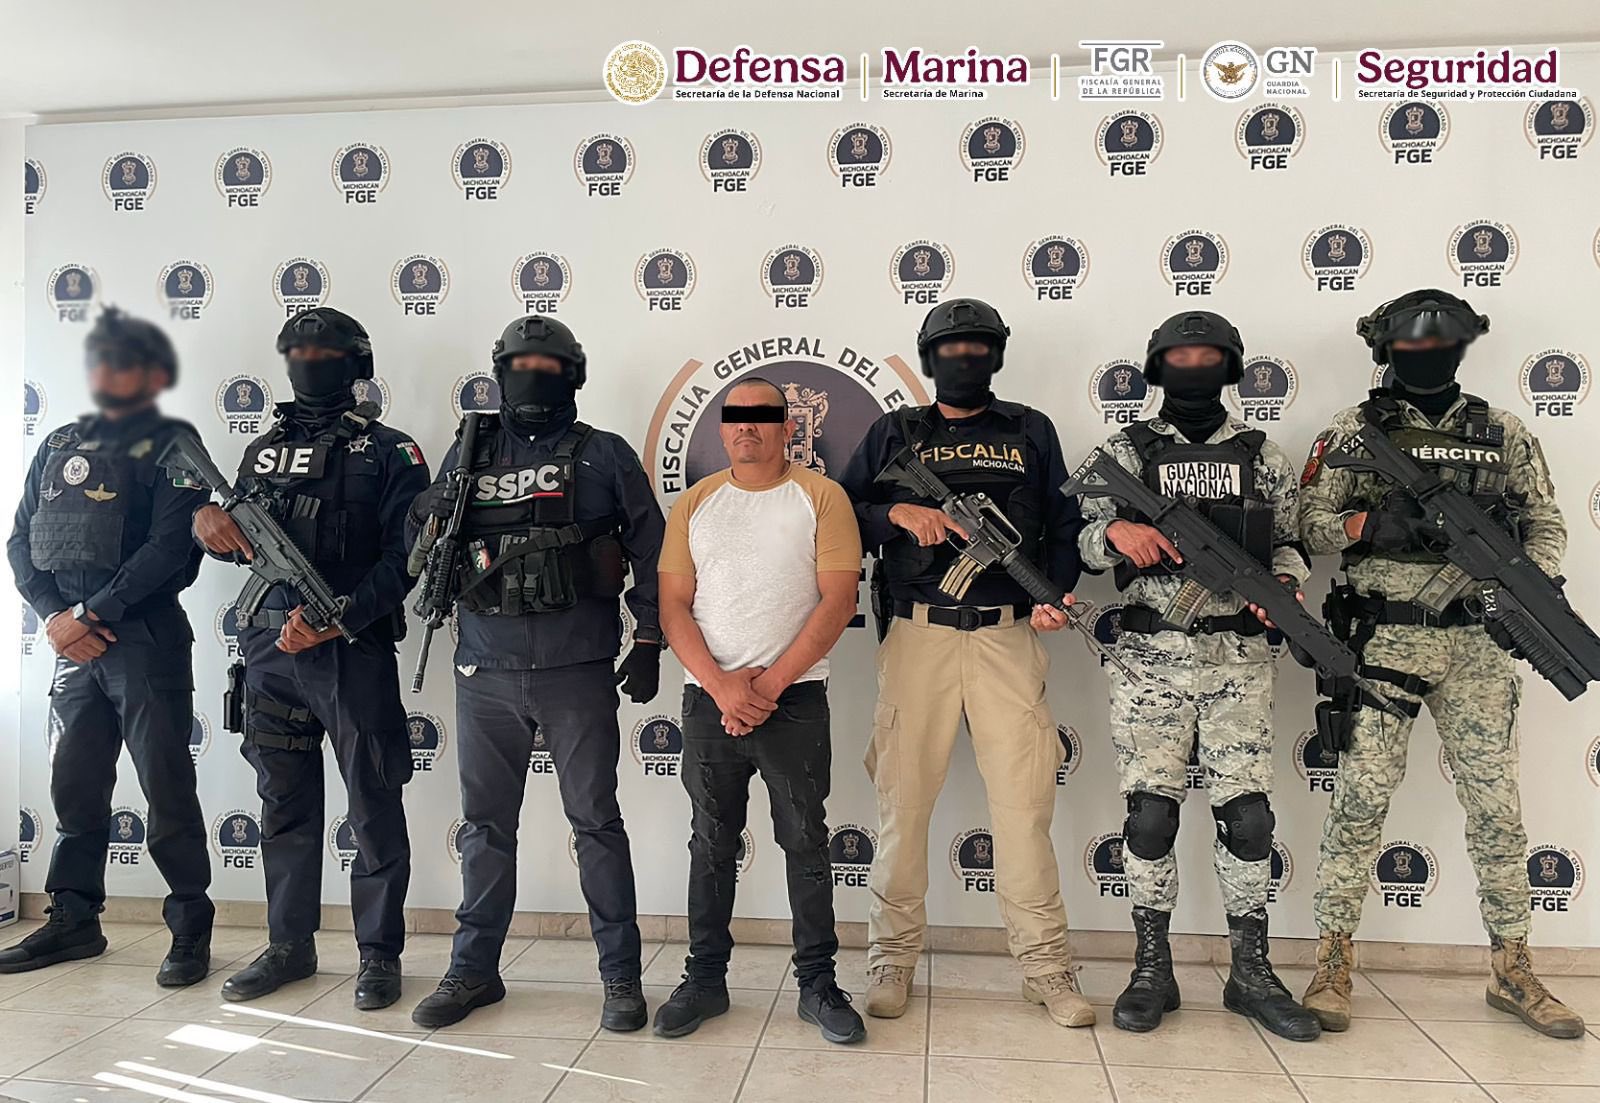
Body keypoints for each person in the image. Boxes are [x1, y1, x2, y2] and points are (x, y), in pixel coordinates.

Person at [1297, 289, 1582, 1039]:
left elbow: (1545, 520)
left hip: (1481, 644)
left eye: (1443, 342)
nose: (1428, 355)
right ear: (1386, 349)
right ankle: (1331, 960)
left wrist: (1527, 578)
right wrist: (1370, 523)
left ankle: (1512, 967)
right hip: (1385, 643)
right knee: (1361, 800)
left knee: (1497, 808)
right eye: (1413, 344)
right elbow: (1308, 524)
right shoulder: (1354, 432)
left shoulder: (1502, 431)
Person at [839, 297, 1092, 1028]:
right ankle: (891, 958)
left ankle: (1046, 965)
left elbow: (1065, 523)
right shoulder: (895, 434)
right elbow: (838, 510)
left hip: (1007, 636)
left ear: (997, 355)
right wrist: (896, 514)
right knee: (902, 806)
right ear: (929, 359)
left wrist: (1054, 592)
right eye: (952, 348)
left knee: (1024, 809)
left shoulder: (1030, 429)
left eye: (979, 347)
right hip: (918, 635)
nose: (965, 358)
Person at [407, 315, 665, 1033]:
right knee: (485, 827)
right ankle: (473, 970)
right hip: (483, 666)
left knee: (596, 824)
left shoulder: (604, 454)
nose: (532, 376)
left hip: (576, 665)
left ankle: (620, 975)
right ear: (499, 374)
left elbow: (654, 548)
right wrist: (433, 505)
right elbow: (420, 541)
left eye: (547, 366)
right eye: (518, 365)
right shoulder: (469, 454)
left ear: (573, 376)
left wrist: (649, 635)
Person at [1073, 310, 1319, 1042]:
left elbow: (1292, 542)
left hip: (1239, 661)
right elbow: (1083, 541)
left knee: (1249, 819)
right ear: (1158, 367)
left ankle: (1251, 972)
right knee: (1150, 817)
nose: (1194, 366)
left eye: (1208, 356)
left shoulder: (1263, 454)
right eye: (1180, 357)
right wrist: (1116, 531)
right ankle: (1153, 968)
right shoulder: (1125, 451)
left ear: (1230, 367)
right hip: (1150, 662)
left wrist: (1283, 584)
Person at [193, 307, 430, 1011]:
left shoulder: (392, 451)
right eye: (296, 352)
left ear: (356, 365)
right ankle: (288, 946)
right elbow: (241, 541)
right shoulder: (261, 451)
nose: (308, 363)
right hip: (269, 650)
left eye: (324, 354)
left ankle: (378, 954)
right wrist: (207, 524)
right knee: (283, 803)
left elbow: (406, 558)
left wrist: (339, 618)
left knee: (373, 803)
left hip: (350, 648)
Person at [2, 307, 213, 986]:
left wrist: (90, 613)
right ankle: (74, 919)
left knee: (166, 788)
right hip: (74, 647)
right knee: (74, 786)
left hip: (144, 641)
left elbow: (169, 547)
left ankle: (190, 927)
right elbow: (20, 540)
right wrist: (57, 617)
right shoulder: (59, 442)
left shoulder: (174, 442)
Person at [654, 377, 866, 1044]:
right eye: (736, 416)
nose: (748, 426)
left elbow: (839, 601)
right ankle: (704, 980)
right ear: (723, 429)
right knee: (711, 841)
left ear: (787, 427)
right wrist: (723, 689)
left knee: (805, 839)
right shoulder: (695, 503)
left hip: (794, 701)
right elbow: (672, 606)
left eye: (763, 415)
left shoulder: (822, 497)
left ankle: (818, 985)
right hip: (709, 700)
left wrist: (766, 688)